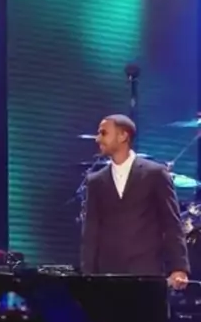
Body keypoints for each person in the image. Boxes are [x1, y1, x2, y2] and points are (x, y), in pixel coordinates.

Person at [81, 114, 189, 287]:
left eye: (103, 133)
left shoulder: (155, 174)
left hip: (147, 272)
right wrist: (87, 275)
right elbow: (91, 231)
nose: (97, 138)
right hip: (107, 276)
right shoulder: (95, 181)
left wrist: (179, 267)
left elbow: (171, 223)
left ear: (123, 136)